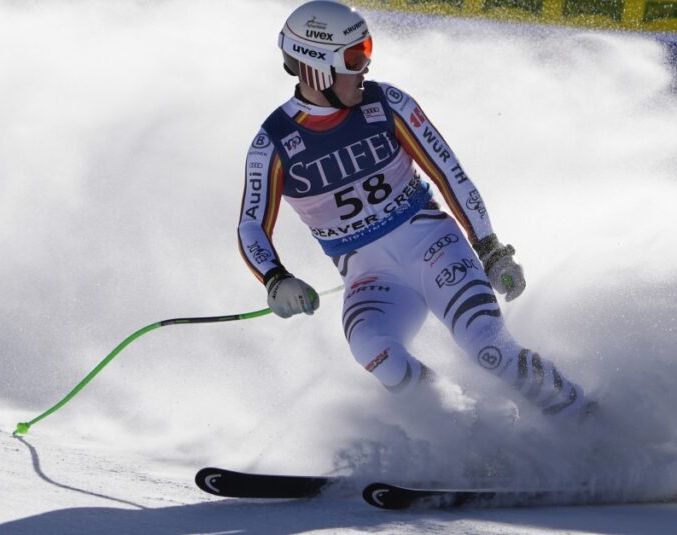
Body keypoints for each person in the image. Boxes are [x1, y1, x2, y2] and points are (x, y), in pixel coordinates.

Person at [237, 0, 591, 421]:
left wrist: (492, 250)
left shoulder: (387, 102)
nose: (366, 66)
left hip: (435, 247)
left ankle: (587, 418)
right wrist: (275, 279)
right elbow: (250, 226)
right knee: (373, 349)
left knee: (489, 348)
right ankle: (476, 432)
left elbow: (450, 175)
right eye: (355, 56)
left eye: (366, 50)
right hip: (372, 278)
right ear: (317, 65)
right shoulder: (272, 143)